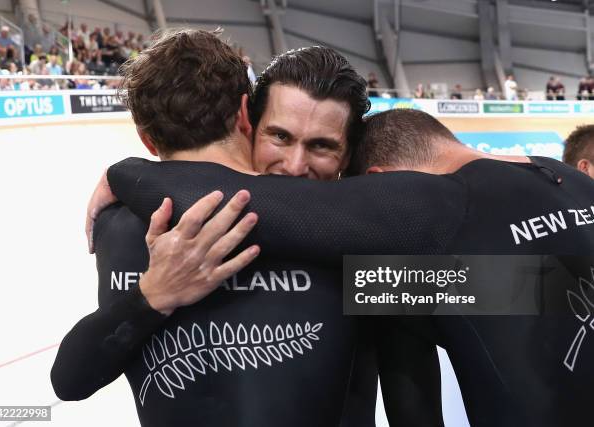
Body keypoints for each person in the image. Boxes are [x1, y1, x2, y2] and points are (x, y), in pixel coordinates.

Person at [106, 108, 594, 427]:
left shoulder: (440, 202)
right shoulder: (570, 180)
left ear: (383, 183)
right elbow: (520, 292)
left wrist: (126, 173)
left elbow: (256, 204)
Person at [52, 29, 437, 427]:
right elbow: (68, 379)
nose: (293, 166)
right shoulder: (351, 239)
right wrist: (151, 295)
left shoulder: (361, 243)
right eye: (279, 136)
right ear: (247, 118)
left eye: (322, 146)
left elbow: (490, 291)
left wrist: (128, 173)